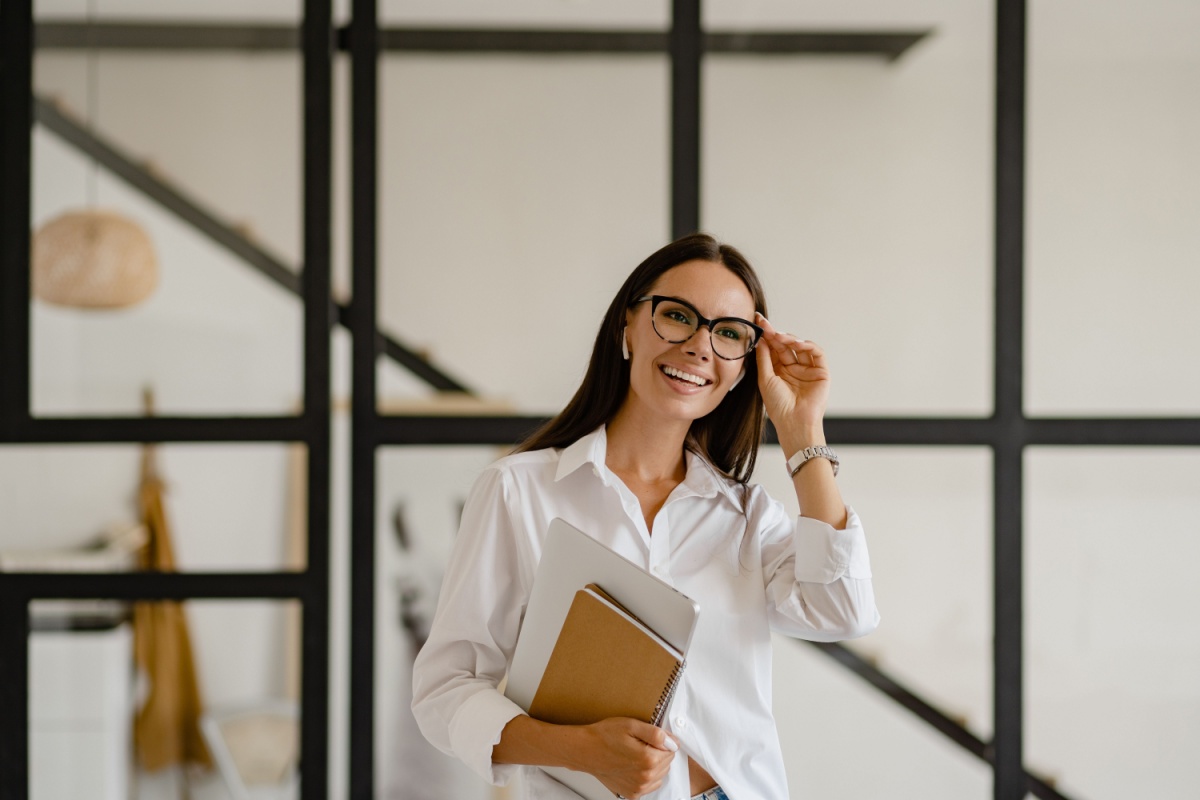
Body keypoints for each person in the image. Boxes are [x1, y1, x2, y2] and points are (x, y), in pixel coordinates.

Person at [411, 233, 879, 800]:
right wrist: (582, 751)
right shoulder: (518, 491)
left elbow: (843, 612)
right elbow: (445, 693)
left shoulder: (747, 517)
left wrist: (803, 431)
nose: (700, 346)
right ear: (626, 327)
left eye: (729, 333)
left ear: (741, 369)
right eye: (677, 316)